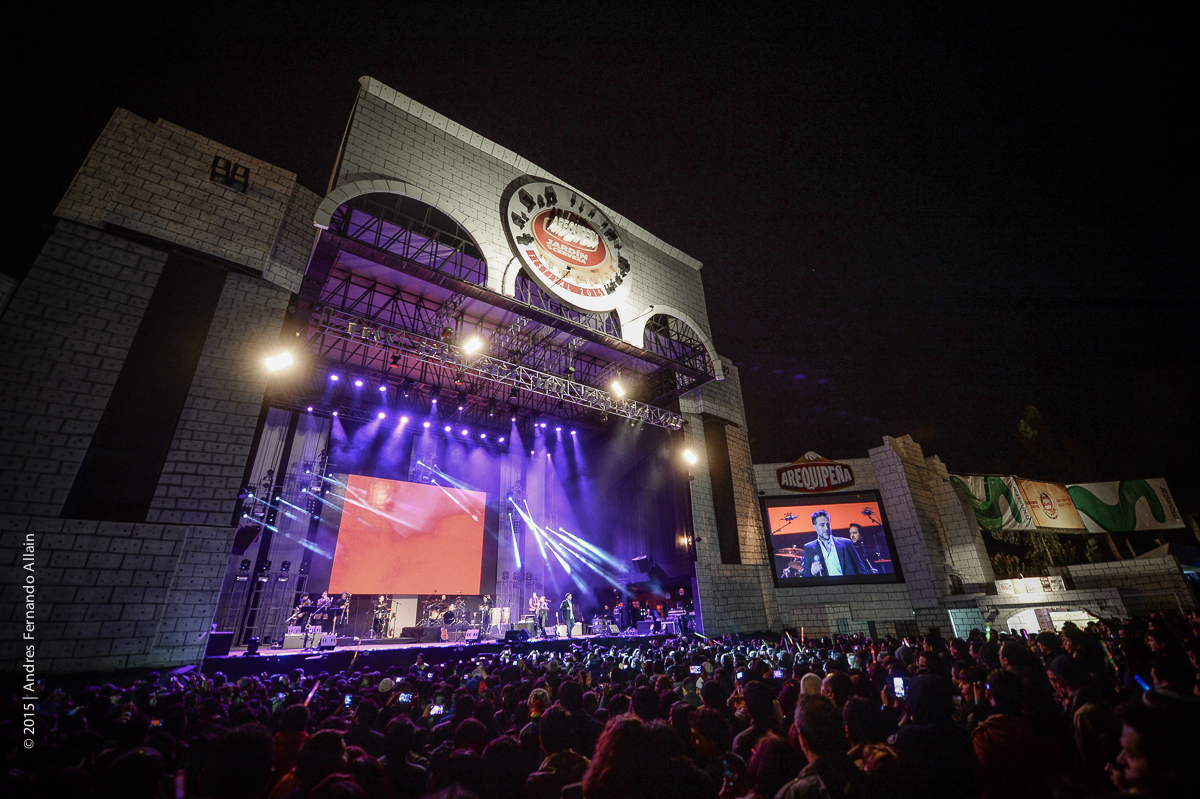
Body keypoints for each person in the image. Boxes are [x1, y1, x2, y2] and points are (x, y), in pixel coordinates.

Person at [800, 510, 873, 577]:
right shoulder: (809, 548)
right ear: (815, 527)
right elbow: (804, 575)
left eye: (828, 524)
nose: (826, 528)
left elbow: (861, 569)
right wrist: (812, 571)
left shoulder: (846, 543)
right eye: (822, 525)